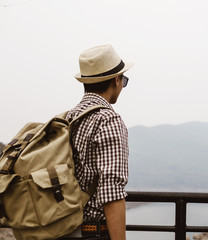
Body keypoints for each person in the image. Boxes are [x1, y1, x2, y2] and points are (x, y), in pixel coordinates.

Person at [64, 44, 134, 240]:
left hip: (60, 228)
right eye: (124, 80)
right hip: (91, 232)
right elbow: (111, 192)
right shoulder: (108, 120)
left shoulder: (68, 118)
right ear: (116, 80)